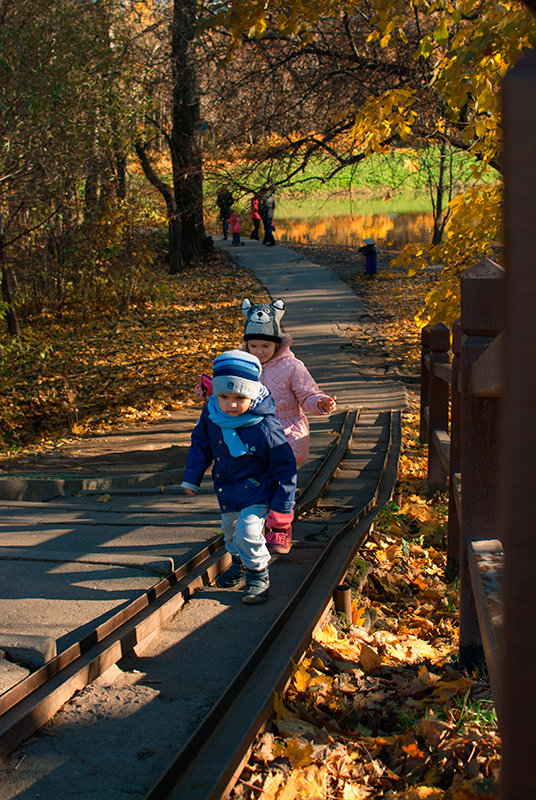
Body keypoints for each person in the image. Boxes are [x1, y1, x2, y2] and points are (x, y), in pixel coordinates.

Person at [182, 350, 297, 604]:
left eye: (240, 397)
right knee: (231, 531)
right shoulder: (212, 415)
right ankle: (239, 562)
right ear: (215, 394)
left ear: (253, 394)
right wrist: (192, 477)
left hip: (258, 489)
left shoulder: (265, 424)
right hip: (227, 488)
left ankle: (258, 573)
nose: (232, 404)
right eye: (224, 396)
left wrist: (283, 502)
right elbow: (200, 444)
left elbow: (284, 464)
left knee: (248, 531)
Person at [241, 298, 336, 554]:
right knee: (255, 482)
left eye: (265, 345)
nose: (259, 351)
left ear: (277, 343)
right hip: (250, 435)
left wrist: (320, 402)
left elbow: (307, 394)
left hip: (285, 435)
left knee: (283, 482)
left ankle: (280, 529)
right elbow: (224, 392)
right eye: (254, 345)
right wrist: (206, 393)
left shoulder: (293, 366)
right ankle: (254, 525)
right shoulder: (241, 366)